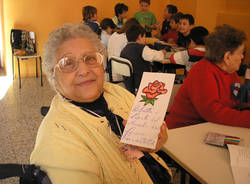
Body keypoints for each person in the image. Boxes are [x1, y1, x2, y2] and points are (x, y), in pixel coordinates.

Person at [30, 23, 172, 184]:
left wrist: (156, 139)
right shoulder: (57, 140)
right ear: (53, 76)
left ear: (102, 64)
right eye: (68, 63)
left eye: (90, 58)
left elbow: (156, 127)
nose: (84, 71)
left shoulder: (115, 91)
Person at [166, 24, 250, 129]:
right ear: (227, 57)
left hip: (209, 128)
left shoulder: (230, 72)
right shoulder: (203, 72)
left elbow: (240, 97)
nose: (242, 57)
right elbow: (213, 113)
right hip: (183, 132)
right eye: (241, 53)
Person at [120, 24, 168, 93]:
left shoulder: (124, 49)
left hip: (129, 84)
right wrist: (163, 52)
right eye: (144, 37)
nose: (145, 39)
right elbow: (157, 56)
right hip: (142, 83)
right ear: (139, 37)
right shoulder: (141, 48)